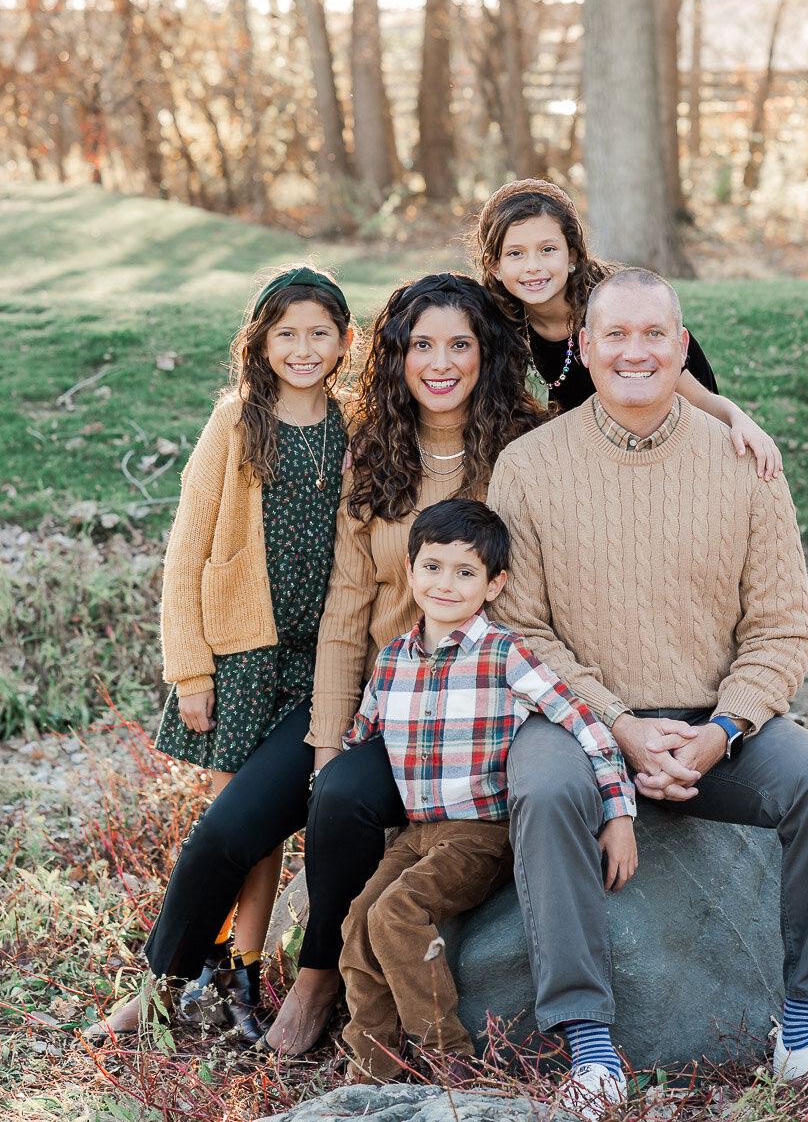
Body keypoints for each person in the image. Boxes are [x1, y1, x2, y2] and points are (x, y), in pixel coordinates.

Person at [487, 266, 808, 1119]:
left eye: (654, 334)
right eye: (614, 335)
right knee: (547, 789)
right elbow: (522, 632)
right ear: (583, 347)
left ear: (681, 345)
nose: (634, 351)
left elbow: (782, 628)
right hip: (580, 719)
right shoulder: (528, 466)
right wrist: (622, 727)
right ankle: (589, 1046)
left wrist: (724, 730)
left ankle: (807, 1034)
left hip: (714, 716)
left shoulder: (745, 461)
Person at [264, 274, 544, 1056]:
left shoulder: (529, 446)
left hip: (496, 700)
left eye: (460, 343)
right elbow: (345, 612)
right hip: (403, 699)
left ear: (488, 353)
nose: (441, 360)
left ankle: (438, 1053)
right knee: (339, 795)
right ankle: (322, 981)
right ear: (396, 355)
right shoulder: (376, 450)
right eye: (422, 344)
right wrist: (327, 743)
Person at [86, 264, 353, 1046]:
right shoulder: (238, 420)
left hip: (319, 662)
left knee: (271, 822)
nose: (303, 349)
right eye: (286, 334)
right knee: (237, 824)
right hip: (242, 656)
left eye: (319, 334)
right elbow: (185, 552)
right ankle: (182, 980)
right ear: (262, 341)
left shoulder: (354, 426)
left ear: (343, 341)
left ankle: (237, 974)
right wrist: (189, 670)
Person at [338, 499, 636, 1083]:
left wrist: (616, 813)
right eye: (433, 566)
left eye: (466, 571)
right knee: (357, 921)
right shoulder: (395, 657)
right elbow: (361, 734)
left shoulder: (504, 654)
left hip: (480, 834)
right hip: (417, 835)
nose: (445, 583)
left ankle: (450, 1066)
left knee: (397, 914)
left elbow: (584, 723)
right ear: (409, 569)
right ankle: (373, 1071)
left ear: (494, 583)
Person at [473, 178, 783, 477]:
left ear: (573, 256)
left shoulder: (616, 311)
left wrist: (738, 420)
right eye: (516, 253)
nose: (532, 266)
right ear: (495, 266)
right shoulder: (502, 322)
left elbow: (699, 401)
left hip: (665, 417)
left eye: (548, 249)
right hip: (601, 447)